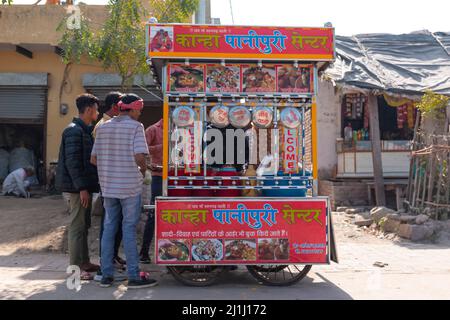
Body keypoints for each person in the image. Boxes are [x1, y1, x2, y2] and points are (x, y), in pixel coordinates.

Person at [91, 93, 158, 289]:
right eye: (140, 109)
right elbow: (139, 156)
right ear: (134, 108)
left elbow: (93, 159)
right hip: (129, 186)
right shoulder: (136, 127)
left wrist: (109, 169)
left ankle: (106, 275)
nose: (141, 113)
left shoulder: (103, 127)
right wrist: (142, 171)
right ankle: (134, 276)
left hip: (108, 187)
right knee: (128, 228)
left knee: (109, 228)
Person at [55, 93, 101, 281]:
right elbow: (73, 163)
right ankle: (74, 269)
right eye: (96, 109)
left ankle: (84, 262)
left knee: (83, 225)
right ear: (89, 109)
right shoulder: (74, 131)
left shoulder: (83, 130)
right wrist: (82, 187)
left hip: (83, 187)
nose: (98, 113)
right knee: (76, 226)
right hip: (76, 188)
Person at [93, 92, 126, 281]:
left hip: (115, 181)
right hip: (109, 182)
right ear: (116, 106)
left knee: (117, 223)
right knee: (109, 224)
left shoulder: (111, 125)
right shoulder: (103, 126)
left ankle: (112, 257)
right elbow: (96, 158)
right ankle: (105, 262)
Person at [139, 118, 163, 264]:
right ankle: (144, 252)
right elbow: (143, 150)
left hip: (177, 176)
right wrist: (163, 146)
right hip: (158, 176)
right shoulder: (153, 129)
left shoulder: (183, 129)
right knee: (154, 212)